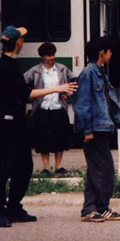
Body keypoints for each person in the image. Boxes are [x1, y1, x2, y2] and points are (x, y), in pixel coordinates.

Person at [0, 25, 77, 228]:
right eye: (22, 39)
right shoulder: (4, 66)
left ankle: (13, 207)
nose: (23, 42)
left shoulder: (12, 64)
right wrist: (57, 88)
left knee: (24, 166)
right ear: (17, 43)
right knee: (2, 168)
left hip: (18, 121)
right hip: (6, 122)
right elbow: (26, 93)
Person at [73, 38, 120, 222]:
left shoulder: (100, 73)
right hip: (94, 129)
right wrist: (87, 130)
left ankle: (95, 207)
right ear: (102, 52)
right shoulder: (89, 73)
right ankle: (96, 207)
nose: (112, 55)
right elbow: (82, 104)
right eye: (110, 51)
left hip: (102, 127)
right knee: (104, 169)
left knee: (96, 169)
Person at [24, 42, 74, 175]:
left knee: (60, 136)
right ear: (42, 56)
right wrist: (31, 96)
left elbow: (74, 82)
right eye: (48, 55)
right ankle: (46, 167)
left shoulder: (62, 69)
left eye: (53, 55)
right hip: (42, 107)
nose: (51, 58)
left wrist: (67, 93)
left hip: (58, 107)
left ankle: (58, 166)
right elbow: (23, 84)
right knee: (43, 137)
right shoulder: (35, 71)